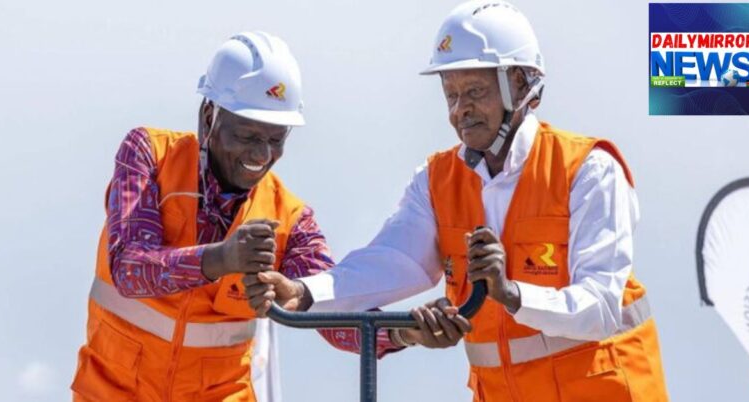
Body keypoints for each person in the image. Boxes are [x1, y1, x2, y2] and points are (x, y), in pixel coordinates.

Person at [246, 2, 669, 401]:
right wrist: (304, 291)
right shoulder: (437, 180)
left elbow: (599, 308)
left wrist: (510, 293)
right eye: (451, 94)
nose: (459, 110)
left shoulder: (588, 170)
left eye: (474, 91)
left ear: (520, 84)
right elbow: (390, 262)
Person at [71, 31, 401, 402]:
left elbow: (331, 310)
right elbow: (130, 269)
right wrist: (222, 258)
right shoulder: (150, 155)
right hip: (115, 392)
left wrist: (404, 331)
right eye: (247, 136)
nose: (262, 155)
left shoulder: (289, 218)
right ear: (208, 117)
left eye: (276, 139)